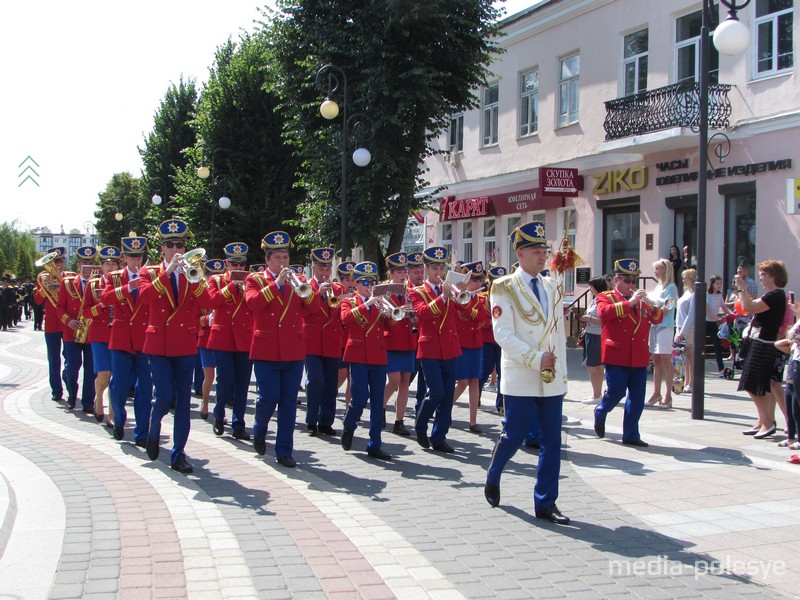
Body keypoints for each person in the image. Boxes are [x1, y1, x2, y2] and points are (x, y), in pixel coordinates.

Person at [484, 221, 569, 524]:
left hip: (549, 376)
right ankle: (494, 473)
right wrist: (535, 358)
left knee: (552, 439)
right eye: (536, 250)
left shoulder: (551, 285)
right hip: (522, 371)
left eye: (545, 250)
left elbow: (558, 334)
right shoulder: (504, 286)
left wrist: (562, 376)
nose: (543, 255)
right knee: (515, 434)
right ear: (520, 253)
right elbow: (503, 334)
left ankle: (546, 502)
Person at [140, 220, 211, 474]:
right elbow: (145, 297)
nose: (175, 250)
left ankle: (178, 453)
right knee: (164, 396)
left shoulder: (192, 273)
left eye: (179, 245)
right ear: (162, 249)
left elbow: (207, 302)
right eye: (170, 245)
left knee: (182, 402)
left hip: (184, 344)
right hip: (158, 343)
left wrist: (193, 278)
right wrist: (167, 272)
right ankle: (153, 424)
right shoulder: (149, 273)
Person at [245, 230, 320, 467]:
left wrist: (305, 291)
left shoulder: (299, 282)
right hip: (266, 349)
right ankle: (259, 429)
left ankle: (284, 450)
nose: (283, 262)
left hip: (293, 350)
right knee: (268, 398)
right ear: (267, 260)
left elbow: (315, 309)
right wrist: (276, 283)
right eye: (277, 258)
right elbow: (253, 304)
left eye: (285, 258)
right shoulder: (255, 280)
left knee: (288, 402)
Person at [594, 259, 664, 448]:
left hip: (639, 356)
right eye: (627, 281)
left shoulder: (642, 302)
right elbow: (604, 314)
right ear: (616, 279)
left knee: (637, 398)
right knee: (616, 392)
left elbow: (658, 319)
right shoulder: (606, 296)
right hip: (617, 354)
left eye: (634, 281)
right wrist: (630, 303)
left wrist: (650, 303)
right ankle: (601, 410)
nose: (632, 285)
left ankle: (631, 434)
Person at [409, 246, 467, 453]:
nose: (438, 272)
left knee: (448, 395)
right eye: (434, 268)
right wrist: (442, 297)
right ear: (426, 269)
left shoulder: (451, 290)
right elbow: (423, 314)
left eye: (441, 268)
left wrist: (463, 292)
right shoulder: (416, 292)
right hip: (430, 347)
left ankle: (440, 437)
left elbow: (464, 310)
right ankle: (421, 424)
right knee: (436, 392)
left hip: (450, 348)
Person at [101, 236, 152, 443]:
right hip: (121, 339)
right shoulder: (114, 277)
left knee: (145, 388)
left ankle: (142, 432)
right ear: (124, 257)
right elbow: (105, 299)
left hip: (143, 340)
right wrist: (127, 287)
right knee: (119, 386)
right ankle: (119, 421)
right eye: (131, 257)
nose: (135, 261)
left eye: (138, 256)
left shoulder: (150, 275)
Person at [340, 261, 392, 459]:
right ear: (356, 284)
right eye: (364, 283)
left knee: (378, 402)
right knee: (360, 398)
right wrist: (368, 304)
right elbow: (346, 318)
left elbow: (392, 327)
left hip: (378, 355)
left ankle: (374, 443)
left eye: (372, 282)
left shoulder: (380, 302)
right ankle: (349, 424)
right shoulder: (350, 301)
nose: (369, 286)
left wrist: (393, 314)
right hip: (359, 355)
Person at [736, 259, 789, 440]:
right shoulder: (772, 295)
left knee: (753, 385)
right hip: (759, 341)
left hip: (763, 344)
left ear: (774, 276)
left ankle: (768, 422)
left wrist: (741, 287)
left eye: (764, 274)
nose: (760, 278)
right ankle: (763, 421)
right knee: (763, 385)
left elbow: (748, 307)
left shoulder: (774, 295)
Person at [207, 246, 253, 441]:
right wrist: (230, 287)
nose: (238, 267)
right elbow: (210, 302)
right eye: (234, 263)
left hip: (244, 338)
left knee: (242, 384)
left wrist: (244, 291)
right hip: (223, 337)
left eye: (241, 263)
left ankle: (238, 424)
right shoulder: (216, 280)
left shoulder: (251, 280)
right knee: (225, 381)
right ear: (227, 263)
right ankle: (218, 416)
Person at [303, 247, 344, 436]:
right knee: (315, 381)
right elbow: (306, 312)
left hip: (331, 341)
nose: (325, 273)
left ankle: (326, 421)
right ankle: (311, 420)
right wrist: (318, 294)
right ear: (313, 268)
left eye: (328, 269)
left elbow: (340, 315)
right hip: (312, 341)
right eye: (321, 269)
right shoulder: (305, 287)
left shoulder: (339, 289)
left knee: (330, 384)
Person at [83, 246, 121, 424]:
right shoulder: (93, 285)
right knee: (104, 375)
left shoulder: (123, 283)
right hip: (99, 335)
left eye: (114, 263)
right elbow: (86, 312)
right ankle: (99, 399)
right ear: (101, 266)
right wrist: (102, 307)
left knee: (116, 377)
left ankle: (112, 414)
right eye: (107, 263)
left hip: (119, 334)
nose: (111, 267)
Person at [56, 246, 97, 412]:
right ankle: (72, 394)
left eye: (90, 263)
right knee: (72, 367)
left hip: (91, 333)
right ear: (78, 264)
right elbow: (59, 308)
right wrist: (69, 321)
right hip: (72, 332)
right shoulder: (67, 283)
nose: (87, 266)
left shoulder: (98, 284)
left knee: (91, 370)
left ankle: (88, 402)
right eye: (84, 263)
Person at [382, 252, 416, 435]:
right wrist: (398, 311)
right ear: (391, 273)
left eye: (404, 271)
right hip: (392, 340)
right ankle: (380, 406)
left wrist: (414, 314)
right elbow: (383, 317)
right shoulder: (384, 291)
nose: (403, 275)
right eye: (399, 272)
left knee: (405, 382)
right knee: (394, 380)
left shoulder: (409, 291)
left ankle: (399, 420)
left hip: (409, 340)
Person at [452, 261, 488, 433]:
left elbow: (483, 319)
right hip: (460, 343)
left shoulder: (481, 299)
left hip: (476, 343)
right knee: (462, 381)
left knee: (474, 381)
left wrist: (469, 310)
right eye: (474, 280)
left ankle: (473, 421)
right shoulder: (455, 297)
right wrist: (463, 300)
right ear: (465, 281)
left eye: (480, 280)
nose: (478, 284)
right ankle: (444, 409)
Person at [35, 247, 68, 402]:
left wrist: (61, 285)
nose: (58, 264)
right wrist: (44, 289)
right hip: (52, 324)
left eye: (61, 261)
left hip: (67, 322)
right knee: (54, 358)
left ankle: (67, 380)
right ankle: (56, 389)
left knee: (69, 357)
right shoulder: (43, 278)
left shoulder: (70, 277)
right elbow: (37, 300)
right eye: (55, 261)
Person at [647, 259, 679, 409]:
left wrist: (652, 303)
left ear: (666, 270)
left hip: (665, 325)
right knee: (656, 359)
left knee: (665, 359)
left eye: (658, 269)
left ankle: (668, 394)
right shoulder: (658, 287)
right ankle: (656, 392)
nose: (655, 272)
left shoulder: (671, 287)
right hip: (655, 325)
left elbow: (668, 308)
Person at [479, 266, 506, 413]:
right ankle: (476, 395)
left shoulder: (507, 298)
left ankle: (501, 403)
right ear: (488, 282)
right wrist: (491, 323)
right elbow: (479, 318)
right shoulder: (482, 297)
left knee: (502, 371)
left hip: (502, 340)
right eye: (494, 281)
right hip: (487, 339)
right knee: (485, 369)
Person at [579, 275, 607, 404]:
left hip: (597, 335)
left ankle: (597, 394)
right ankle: (597, 393)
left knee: (593, 365)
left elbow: (604, 320)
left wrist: (588, 318)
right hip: (591, 333)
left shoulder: (602, 300)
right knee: (594, 365)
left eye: (591, 286)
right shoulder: (594, 299)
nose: (589, 288)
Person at [336, 261, 357, 408]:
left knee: (352, 377)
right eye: (346, 280)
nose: (350, 283)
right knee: (342, 374)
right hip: (340, 340)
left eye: (352, 279)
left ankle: (348, 407)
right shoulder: (335, 294)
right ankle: (329, 394)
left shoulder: (359, 295)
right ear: (340, 281)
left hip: (353, 338)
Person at [674, 269, 697, 393]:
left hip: (689, 328)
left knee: (690, 357)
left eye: (685, 277)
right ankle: (685, 381)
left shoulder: (694, 294)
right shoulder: (686, 293)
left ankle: (691, 382)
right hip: (680, 326)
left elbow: (691, 314)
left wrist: (682, 331)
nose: (683, 280)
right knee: (683, 357)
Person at [706, 275, 731, 378]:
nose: (719, 285)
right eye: (717, 283)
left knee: (717, 346)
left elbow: (724, 308)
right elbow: (707, 311)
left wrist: (731, 315)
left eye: (720, 283)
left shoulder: (720, 296)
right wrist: (716, 318)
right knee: (699, 347)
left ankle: (721, 369)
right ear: (712, 284)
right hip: (705, 322)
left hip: (713, 323)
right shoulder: (707, 295)